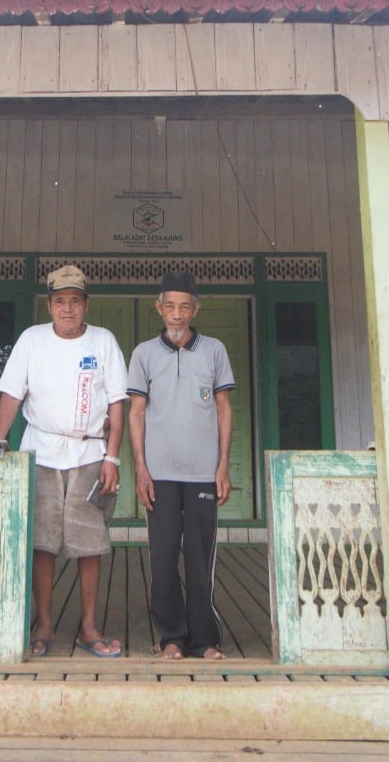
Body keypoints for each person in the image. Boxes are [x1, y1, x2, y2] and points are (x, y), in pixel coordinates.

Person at [0, 264, 127, 658]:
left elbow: (117, 402)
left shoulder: (104, 341)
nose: (67, 309)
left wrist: (113, 456)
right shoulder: (32, 340)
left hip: (90, 453)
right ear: (49, 305)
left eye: (75, 301)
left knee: (88, 544)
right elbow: (11, 394)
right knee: (42, 543)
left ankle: (88, 626)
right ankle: (43, 624)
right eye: (60, 301)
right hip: (40, 452)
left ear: (86, 305)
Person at [128, 270, 234, 660]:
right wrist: (140, 469)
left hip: (203, 472)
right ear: (159, 308)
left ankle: (204, 640)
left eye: (184, 306)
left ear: (196, 308)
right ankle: (172, 636)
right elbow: (136, 414)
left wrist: (222, 465)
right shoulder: (143, 354)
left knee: (199, 557)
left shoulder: (214, 350)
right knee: (163, 555)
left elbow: (224, 409)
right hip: (160, 475)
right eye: (169, 305)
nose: (177, 313)